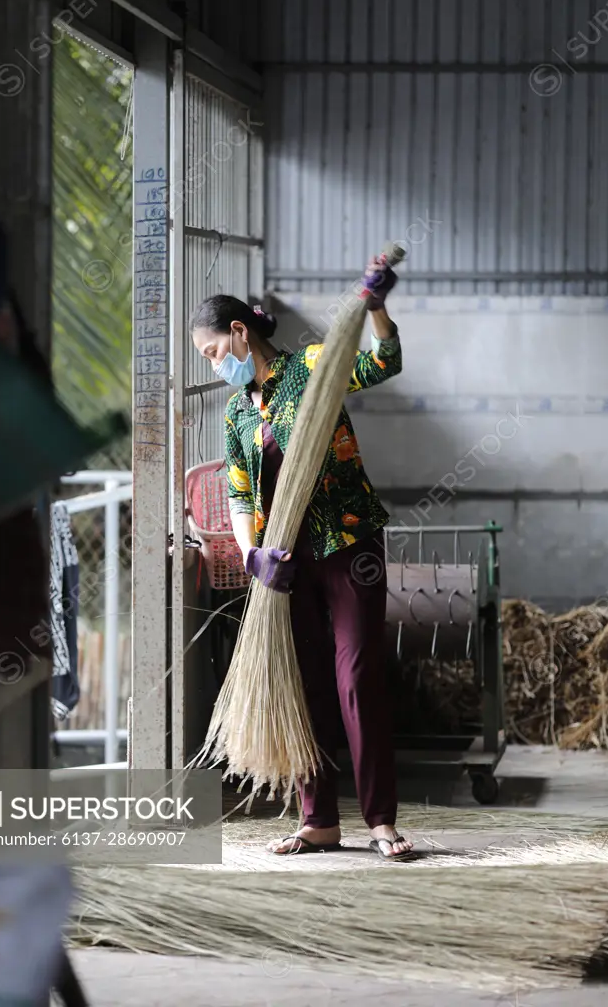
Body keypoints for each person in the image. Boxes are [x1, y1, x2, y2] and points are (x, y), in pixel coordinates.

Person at [190, 253, 414, 860]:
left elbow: (383, 363)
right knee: (301, 682)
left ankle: (381, 821)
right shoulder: (237, 411)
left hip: (346, 545)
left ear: (240, 333)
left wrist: (377, 310)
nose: (215, 366)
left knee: (356, 678)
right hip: (284, 565)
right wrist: (253, 554)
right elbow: (239, 492)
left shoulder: (312, 368)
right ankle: (318, 821)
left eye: (213, 353)